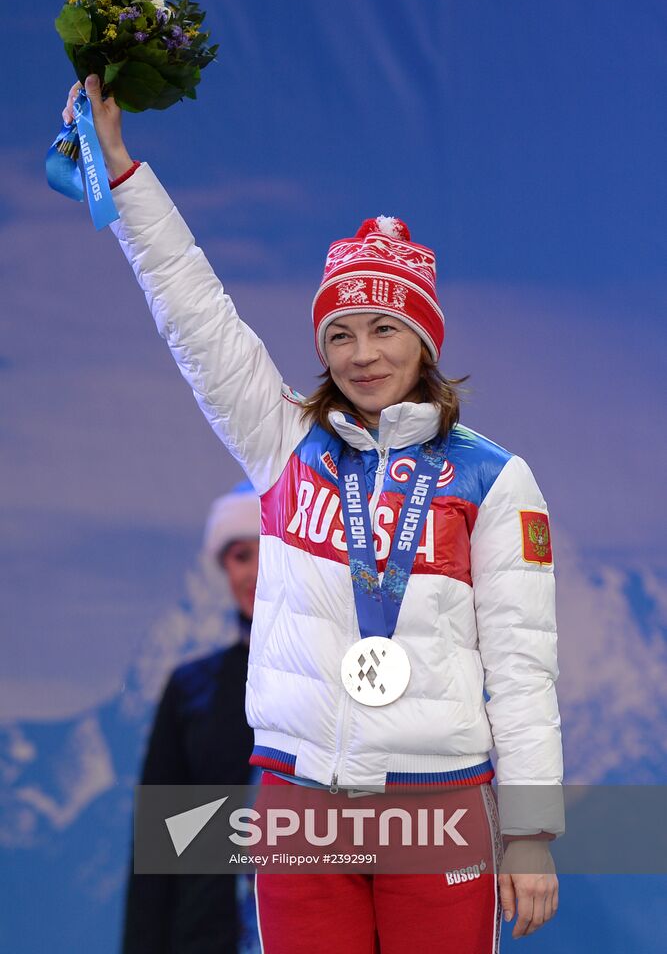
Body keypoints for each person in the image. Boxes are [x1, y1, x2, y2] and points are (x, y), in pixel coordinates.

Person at [64, 76, 564, 953]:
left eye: (383, 329)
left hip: (437, 805)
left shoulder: (494, 478)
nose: (362, 354)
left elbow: (522, 669)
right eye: (339, 334)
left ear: (424, 341)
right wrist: (124, 175)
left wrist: (528, 831)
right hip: (300, 801)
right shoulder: (282, 440)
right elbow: (194, 311)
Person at [122, 485, 262, 954]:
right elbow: (156, 853)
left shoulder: (347, 681)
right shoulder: (193, 689)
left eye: (271, 552)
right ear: (224, 568)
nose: (255, 572)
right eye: (241, 556)